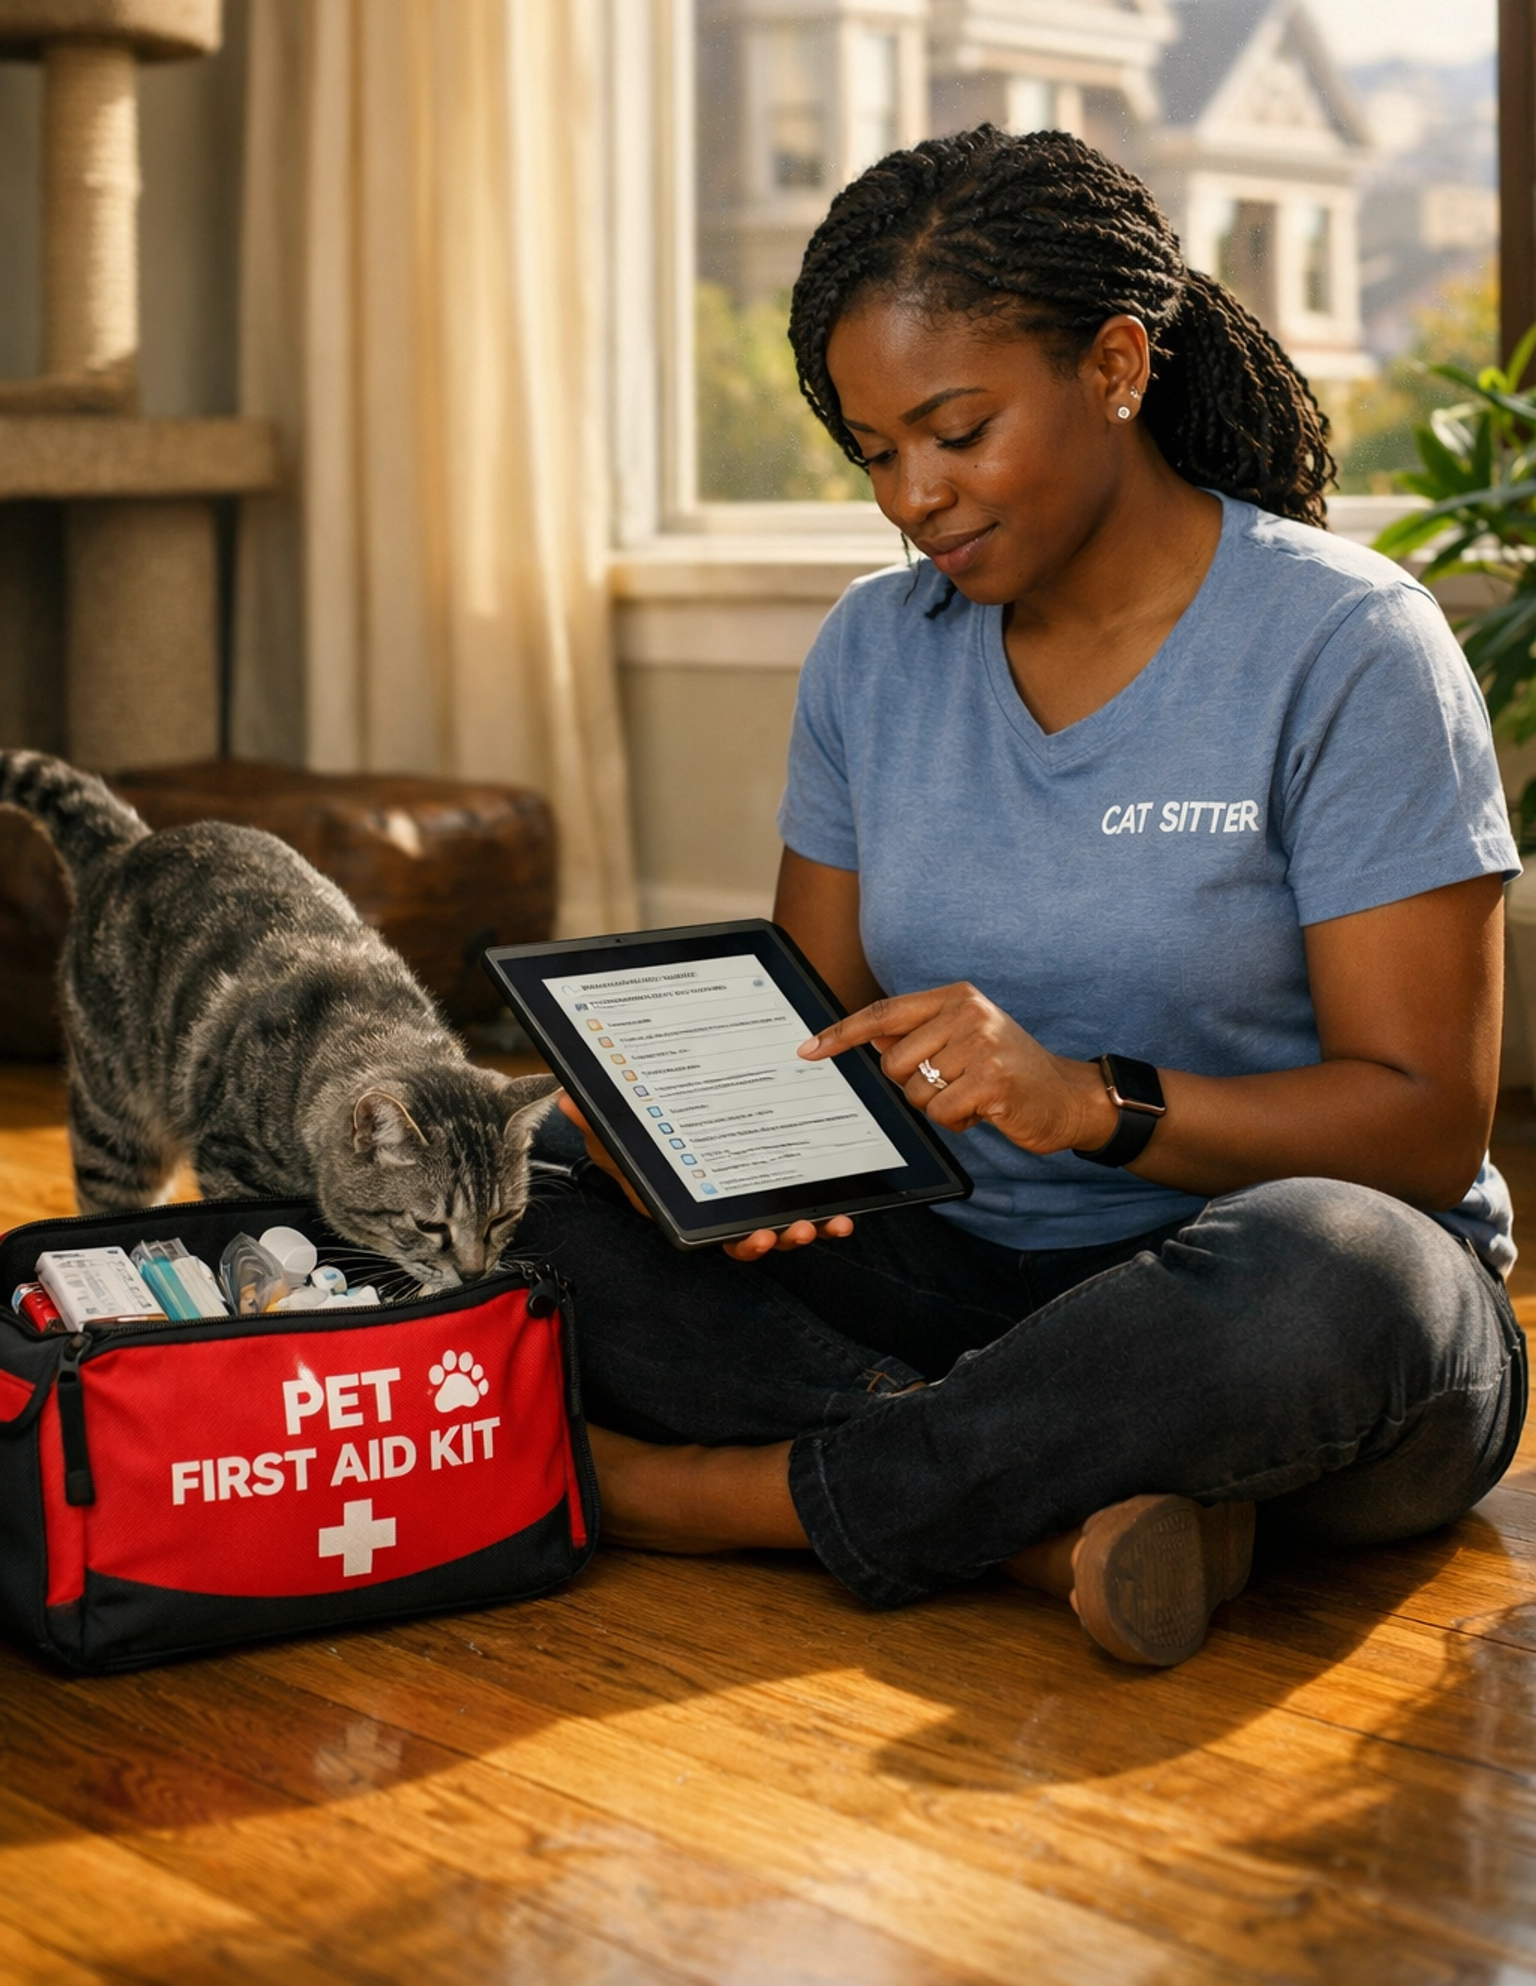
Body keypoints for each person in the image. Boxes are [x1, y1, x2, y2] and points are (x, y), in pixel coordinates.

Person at [520, 126, 1528, 1668]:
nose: (914, 497)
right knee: (527, 1173)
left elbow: (1423, 1128)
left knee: (1340, 1277)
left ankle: (731, 1496)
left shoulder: (1347, 646)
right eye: (876, 453)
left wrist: (1089, 1101)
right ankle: (1038, 1510)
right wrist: (691, 1138)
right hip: (962, 1279)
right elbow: (811, 1034)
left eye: (958, 431)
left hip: (1249, 1301)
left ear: (1116, 366)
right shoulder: (874, 651)